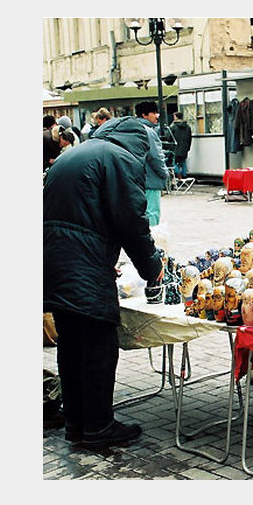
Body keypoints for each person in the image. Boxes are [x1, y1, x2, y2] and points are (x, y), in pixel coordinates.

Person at [44, 116, 164, 448]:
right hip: (81, 265)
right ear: (139, 145)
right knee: (99, 346)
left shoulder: (77, 153)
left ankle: (76, 424)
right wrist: (152, 267)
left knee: (71, 346)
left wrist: (98, 257)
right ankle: (98, 427)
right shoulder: (120, 158)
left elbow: (82, 215)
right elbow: (131, 221)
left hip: (55, 261)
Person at [134, 101, 169, 226]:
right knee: (152, 213)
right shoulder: (148, 132)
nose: (157, 116)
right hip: (150, 180)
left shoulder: (131, 129)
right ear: (144, 115)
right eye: (153, 113)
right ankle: (151, 242)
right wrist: (165, 174)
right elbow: (156, 157)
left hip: (134, 181)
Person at [169, 111, 192, 179]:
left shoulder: (173, 126)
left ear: (176, 117)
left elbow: (168, 137)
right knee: (183, 162)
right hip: (185, 148)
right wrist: (188, 147)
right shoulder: (187, 127)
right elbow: (190, 138)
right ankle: (184, 175)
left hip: (175, 148)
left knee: (174, 162)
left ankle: (178, 175)